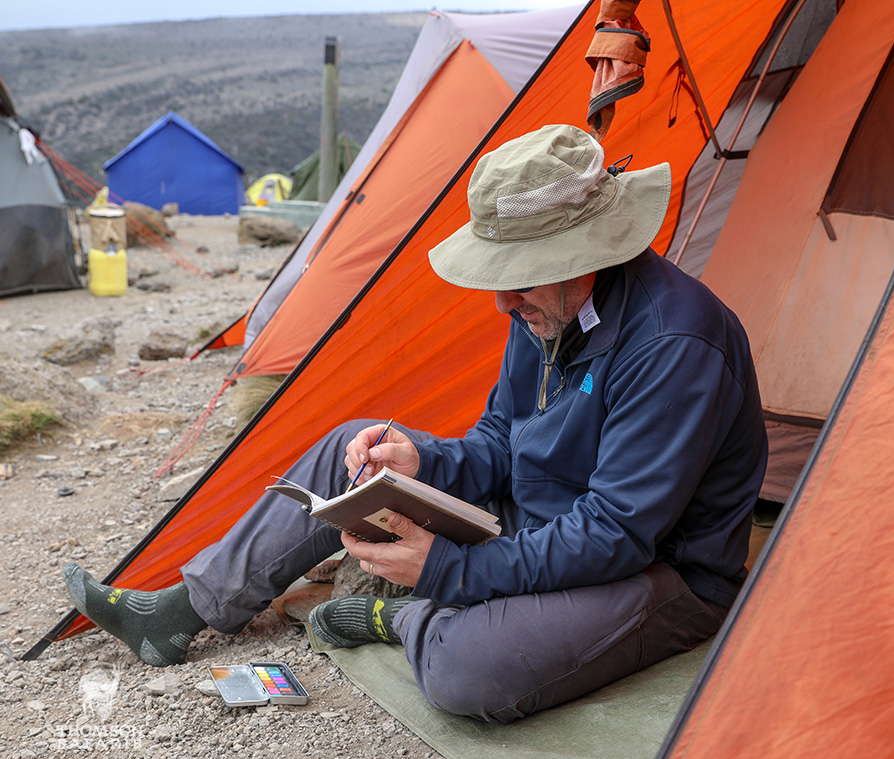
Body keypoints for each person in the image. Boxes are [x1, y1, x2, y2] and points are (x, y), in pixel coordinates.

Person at [64, 124, 768, 724]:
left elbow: (615, 534)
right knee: (355, 444)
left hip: (658, 576)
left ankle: (399, 617)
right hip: (538, 528)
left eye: (518, 274)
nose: (500, 301)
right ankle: (183, 609)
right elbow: (500, 444)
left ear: (584, 255)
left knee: (471, 671)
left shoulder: (675, 343)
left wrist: (452, 569)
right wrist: (417, 460)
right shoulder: (542, 307)